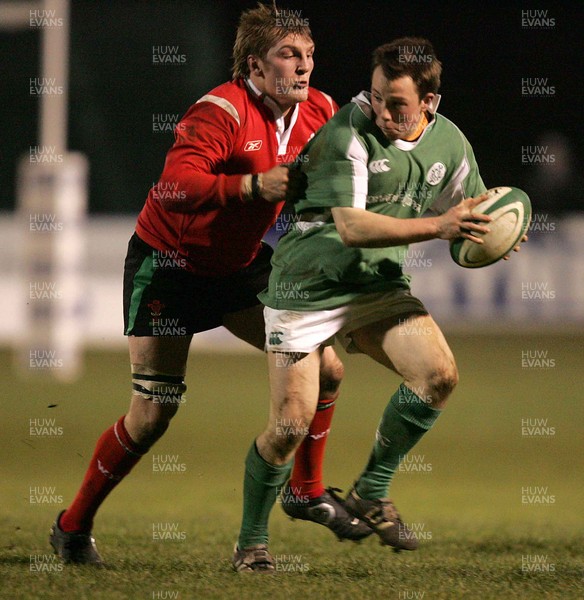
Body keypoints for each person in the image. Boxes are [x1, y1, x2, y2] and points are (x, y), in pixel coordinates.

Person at [49, 3, 371, 567]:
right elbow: (176, 184)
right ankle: (72, 527)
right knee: (152, 415)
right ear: (254, 63)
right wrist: (252, 187)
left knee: (329, 367)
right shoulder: (220, 111)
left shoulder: (319, 110)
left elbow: (361, 162)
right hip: (169, 267)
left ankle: (307, 491)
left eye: (309, 55)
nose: (304, 66)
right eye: (288, 55)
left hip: (241, 269)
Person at [234, 36, 527, 570]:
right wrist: (440, 225)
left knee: (438, 375)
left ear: (430, 104)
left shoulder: (451, 145)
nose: (382, 111)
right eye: (376, 96)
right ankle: (251, 544)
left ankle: (371, 491)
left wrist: (497, 232)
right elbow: (350, 227)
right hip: (308, 286)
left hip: (374, 287)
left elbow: (473, 214)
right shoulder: (348, 131)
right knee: (289, 427)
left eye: (398, 104)